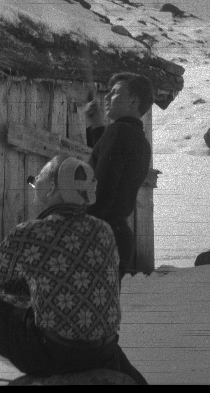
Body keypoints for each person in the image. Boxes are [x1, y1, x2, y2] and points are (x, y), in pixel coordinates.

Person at [0, 155, 147, 385]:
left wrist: (5, 290)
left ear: (52, 189)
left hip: (51, 354)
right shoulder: (103, 231)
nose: (34, 181)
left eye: (40, 176)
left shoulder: (32, 234)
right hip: (103, 352)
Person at [82, 72, 154, 279]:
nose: (106, 97)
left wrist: (78, 229)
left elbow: (102, 191)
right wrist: (97, 126)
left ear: (133, 101)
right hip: (119, 237)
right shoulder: (140, 140)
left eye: (115, 93)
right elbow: (111, 160)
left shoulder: (117, 133)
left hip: (100, 237)